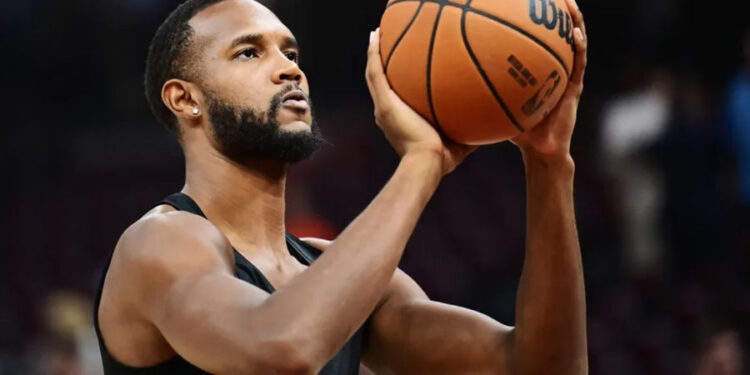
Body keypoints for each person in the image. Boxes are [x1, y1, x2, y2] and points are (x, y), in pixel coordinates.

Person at [94, 0, 589, 374]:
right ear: (185, 99)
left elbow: (541, 366)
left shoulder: (340, 274)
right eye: (248, 52)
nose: (290, 69)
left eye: (290, 52)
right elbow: (282, 348)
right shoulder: (160, 243)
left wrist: (548, 165)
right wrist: (422, 162)